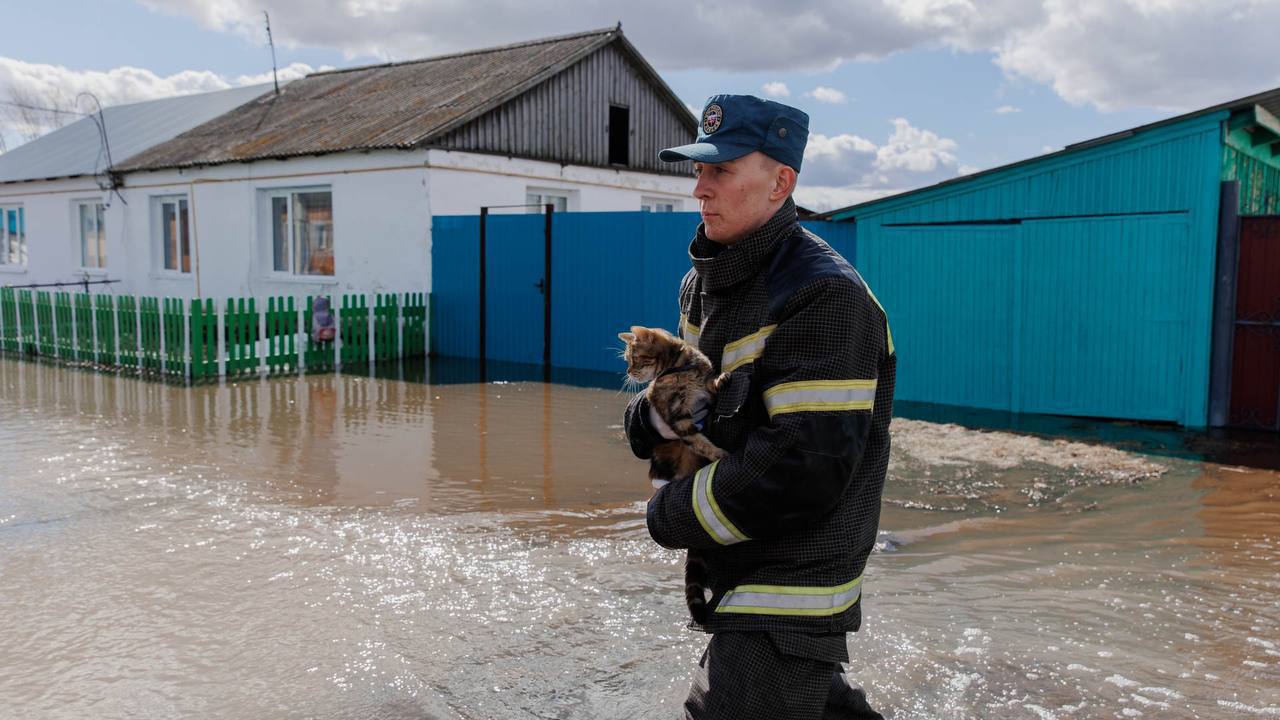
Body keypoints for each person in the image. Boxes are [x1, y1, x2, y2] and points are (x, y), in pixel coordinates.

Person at [623, 94, 896, 719]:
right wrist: (650, 419)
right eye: (698, 170)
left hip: (787, 596)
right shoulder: (706, 281)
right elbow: (694, 410)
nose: (700, 189)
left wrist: (668, 514)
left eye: (719, 171)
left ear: (781, 181)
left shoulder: (824, 294)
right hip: (738, 577)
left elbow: (802, 471)